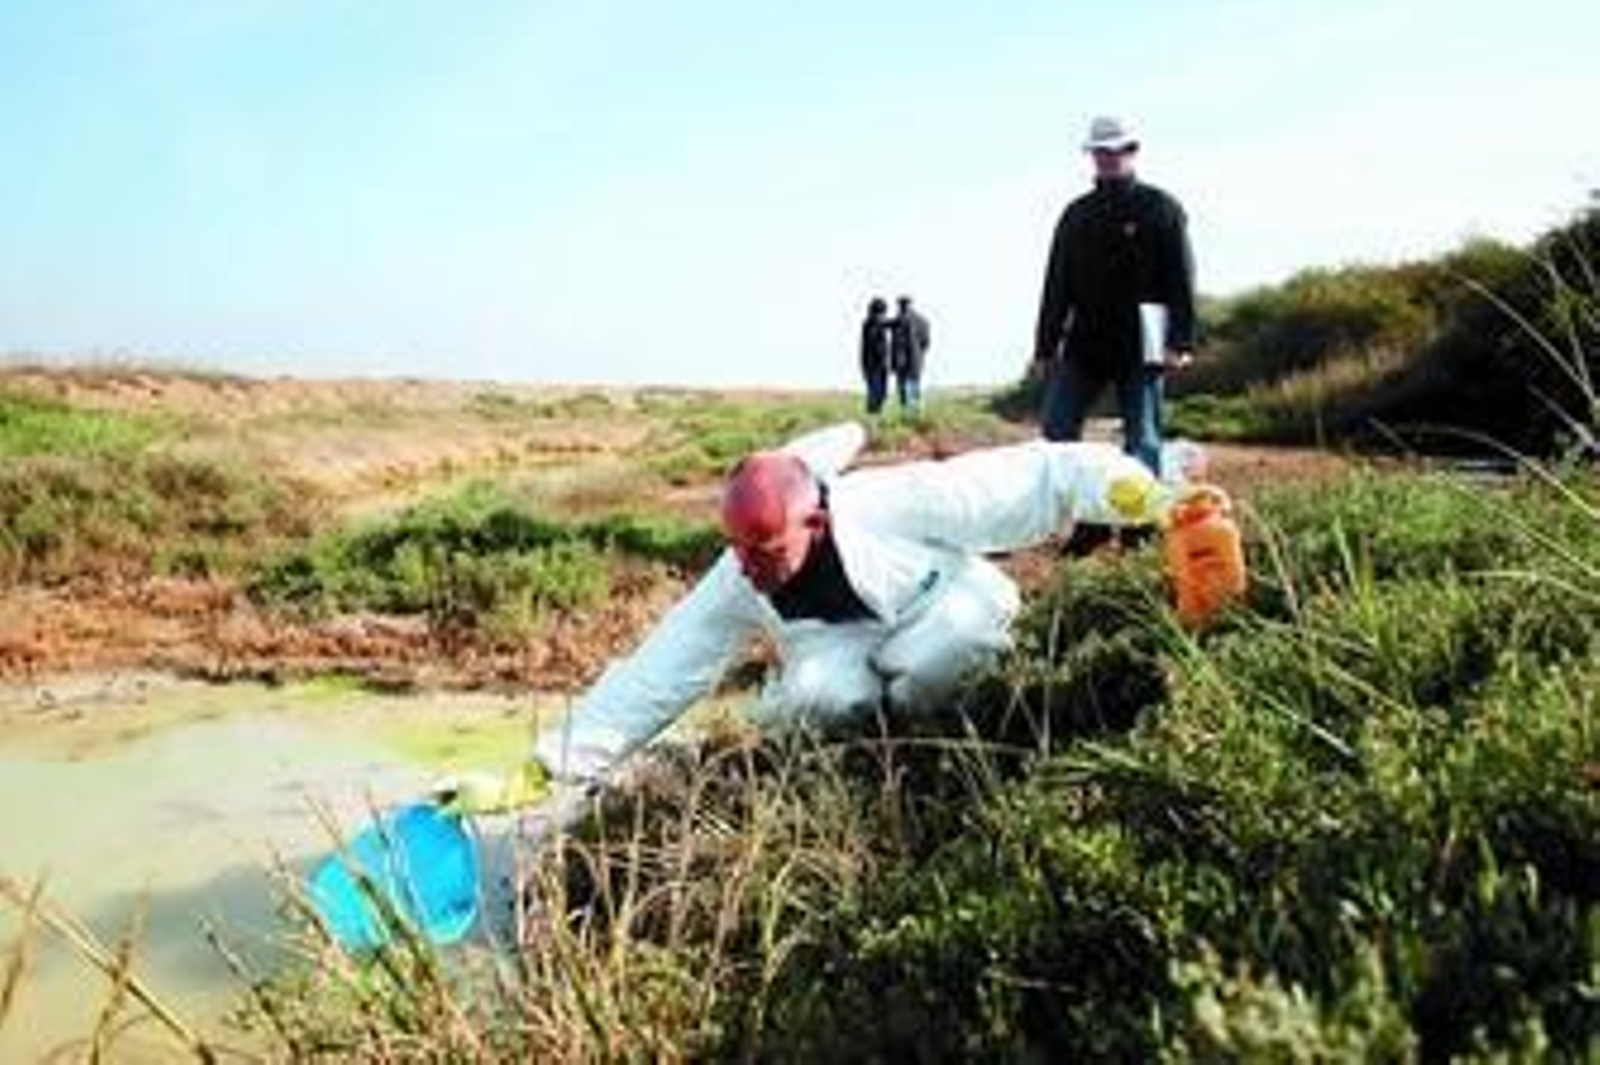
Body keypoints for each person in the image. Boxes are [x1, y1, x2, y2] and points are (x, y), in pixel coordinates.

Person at [441, 421, 1172, 824]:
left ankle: (962, 749)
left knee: (940, 652)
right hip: (841, 648)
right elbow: (663, 666)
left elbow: (1036, 474)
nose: (749, 566)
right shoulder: (740, 572)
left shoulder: (893, 501)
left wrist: (1139, 495)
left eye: (765, 548)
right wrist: (543, 768)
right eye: (736, 547)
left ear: (814, 520)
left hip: (945, 606)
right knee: (817, 698)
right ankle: (870, 771)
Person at [1031, 115, 1196, 477]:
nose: (1107, 157)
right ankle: (1081, 516)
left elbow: (1181, 279)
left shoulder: (1161, 208)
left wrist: (1180, 340)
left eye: (1115, 150)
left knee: (1144, 438)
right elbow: (1057, 284)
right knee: (1056, 431)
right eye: (1099, 151)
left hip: (1143, 340)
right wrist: (1045, 347)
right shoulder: (1076, 215)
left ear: (1133, 151)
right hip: (1085, 341)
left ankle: (1141, 527)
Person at [889, 295, 932, 414]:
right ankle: (916, 413)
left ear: (901, 306)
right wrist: (919, 354)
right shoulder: (923, 321)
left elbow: (897, 344)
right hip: (917, 360)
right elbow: (926, 343)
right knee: (915, 387)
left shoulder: (899, 320)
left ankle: (908, 414)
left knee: (903, 390)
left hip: (901, 361)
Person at [859, 296, 892, 415]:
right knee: (877, 394)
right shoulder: (872, 324)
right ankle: (874, 417)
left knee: (878, 393)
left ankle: (875, 416)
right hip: (875, 366)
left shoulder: (870, 323)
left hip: (872, 365)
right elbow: (878, 347)